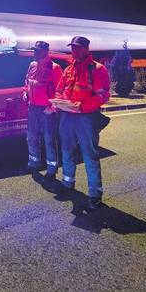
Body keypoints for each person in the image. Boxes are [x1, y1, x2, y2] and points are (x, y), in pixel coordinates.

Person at [50, 35, 111, 211]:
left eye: (77, 48)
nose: (74, 51)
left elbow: (103, 95)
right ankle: (67, 183)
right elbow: (60, 90)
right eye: (72, 47)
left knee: (89, 154)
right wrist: (60, 102)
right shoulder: (69, 69)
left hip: (86, 117)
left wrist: (82, 105)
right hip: (67, 116)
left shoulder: (98, 70)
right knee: (66, 150)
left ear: (86, 49)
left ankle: (95, 194)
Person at [22, 41, 63, 180]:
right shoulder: (32, 65)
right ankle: (34, 164)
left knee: (49, 140)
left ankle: (51, 170)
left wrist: (52, 107)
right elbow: (27, 82)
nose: (35, 53)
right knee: (31, 137)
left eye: (38, 51)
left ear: (46, 51)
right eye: (34, 50)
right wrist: (25, 92)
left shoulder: (55, 68)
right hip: (32, 108)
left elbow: (60, 90)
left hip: (47, 110)